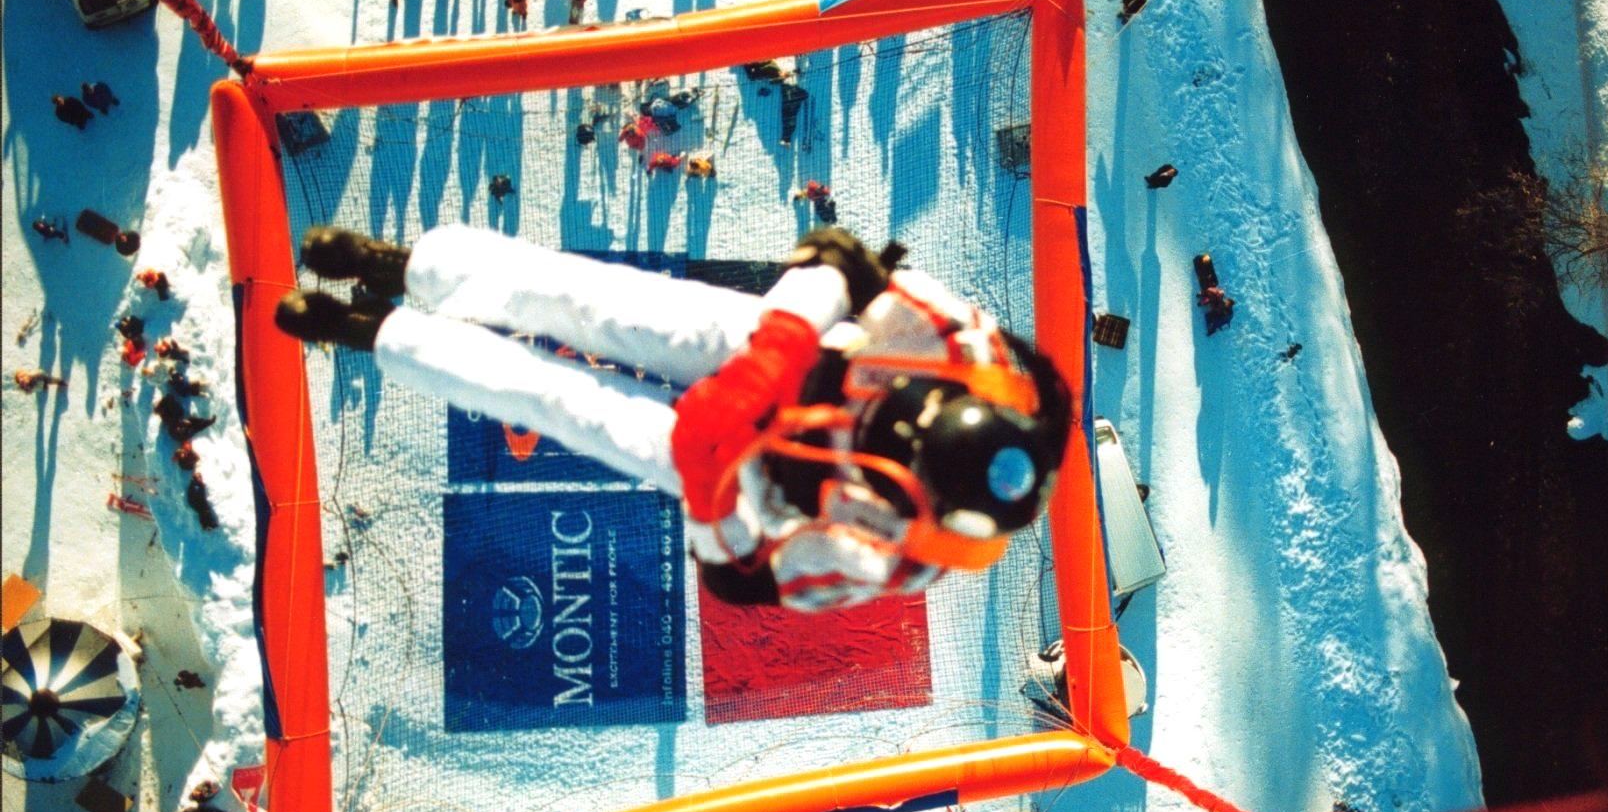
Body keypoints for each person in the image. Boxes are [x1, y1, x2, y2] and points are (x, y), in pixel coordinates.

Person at [275, 224, 1072, 612]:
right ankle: (404, 265)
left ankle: (371, 332)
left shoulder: (897, 557)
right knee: (588, 300)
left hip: (746, 470)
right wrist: (775, 352)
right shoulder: (968, 349)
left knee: (555, 401)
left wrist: (712, 497)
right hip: (789, 349)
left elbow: (745, 583)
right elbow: (839, 257)